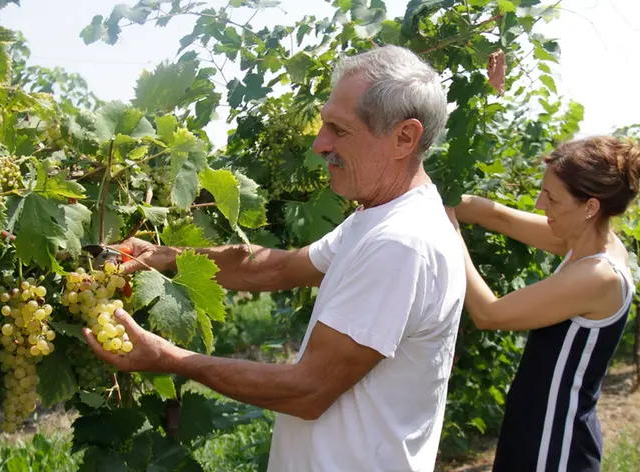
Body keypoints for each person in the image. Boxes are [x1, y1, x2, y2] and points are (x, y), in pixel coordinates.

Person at [85, 45, 466, 472]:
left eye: (339, 130)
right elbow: (280, 266)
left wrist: (167, 358)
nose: (321, 144)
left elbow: (307, 391)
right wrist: (167, 256)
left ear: (404, 138)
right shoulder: (378, 219)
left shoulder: (402, 244)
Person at [444, 136, 640, 471]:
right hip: (537, 427)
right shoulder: (582, 241)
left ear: (590, 207)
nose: (540, 204)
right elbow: (498, 218)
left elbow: (487, 313)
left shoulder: (599, 275)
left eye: (552, 198)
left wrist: (449, 232)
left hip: (555, 443)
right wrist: (438, 200)